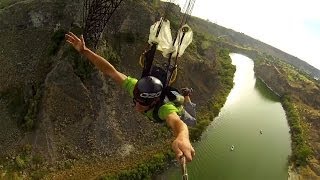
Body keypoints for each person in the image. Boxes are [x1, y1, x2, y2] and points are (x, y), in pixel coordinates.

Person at [65, 32, 195, 162]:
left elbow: (179, 123)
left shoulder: (164, 109)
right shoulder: (135, 88)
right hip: (163, 102)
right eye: (136, 100)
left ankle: (187, 97)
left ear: (155, 101)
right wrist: (85, 51)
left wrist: (182, 138)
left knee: (192, 121)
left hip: (181, 111)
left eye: (143, 104)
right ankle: (186, 96)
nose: (137, 107)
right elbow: (111, 71)